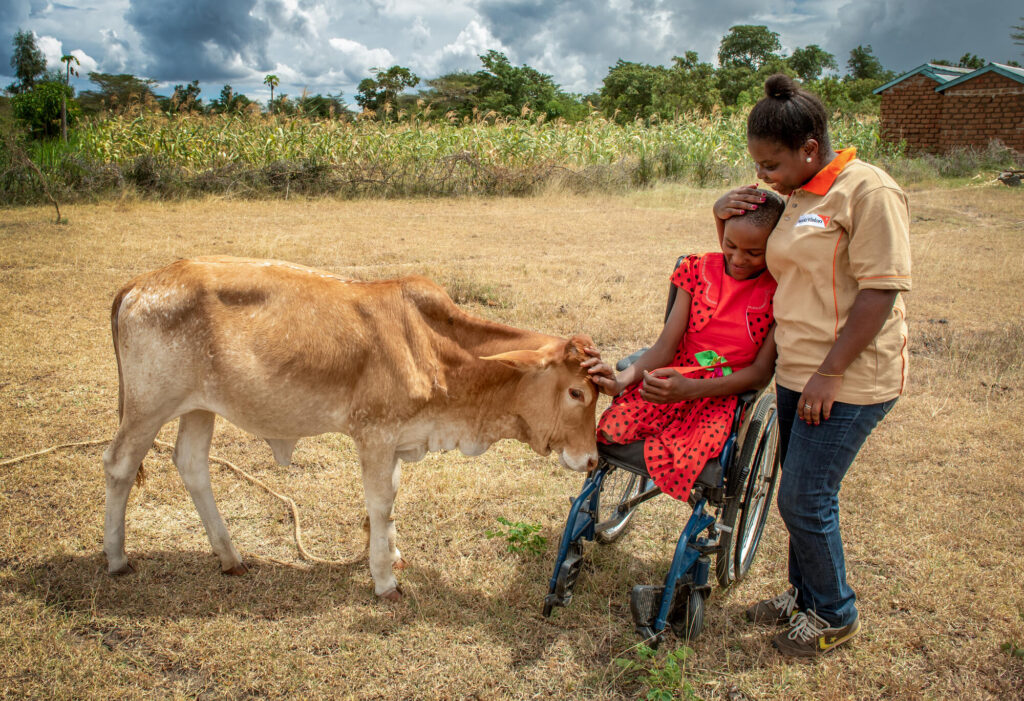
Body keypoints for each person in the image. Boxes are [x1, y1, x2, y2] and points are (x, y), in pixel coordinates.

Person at [713, 73, 911, 657]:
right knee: (800, 493)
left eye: (769, 164)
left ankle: (834, 614)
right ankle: (803, 597)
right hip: (797, 370)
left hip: (849, 377)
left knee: (804, 497)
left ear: (808, 148)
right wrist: (718, 214)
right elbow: (748, 263)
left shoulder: (867, 191)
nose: (761, 176)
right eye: (756, 165)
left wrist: (830, 372)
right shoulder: (795, 194)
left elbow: (881, 290)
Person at [583, 188, 785, 505]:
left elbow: (759, 375)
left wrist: (690, 390)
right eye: (730, 245)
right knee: (611, 429)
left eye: (753, 253)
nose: (738, 259)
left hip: (720, 396)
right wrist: (620, 381)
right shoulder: (697, 271)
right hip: (672, 380)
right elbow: (664, 348)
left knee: (688, 456)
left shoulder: (779, 293)